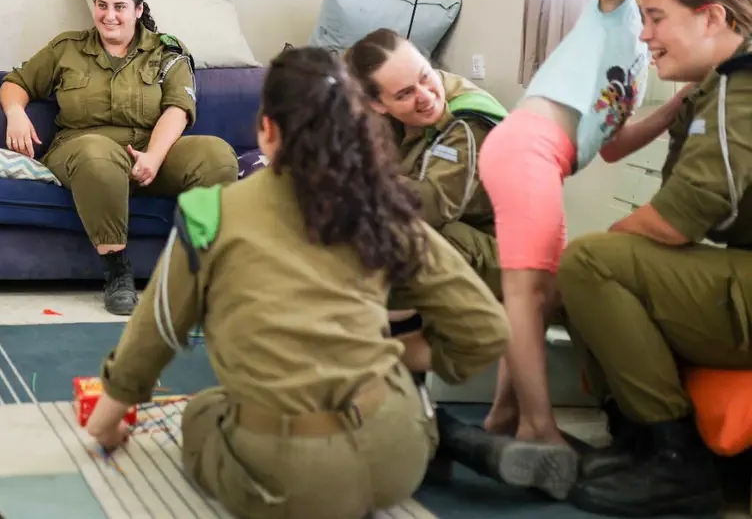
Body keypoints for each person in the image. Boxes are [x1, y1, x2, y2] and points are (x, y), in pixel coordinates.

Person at [83, 47, 511, 519]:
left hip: (288, 477)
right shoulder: (384, 206)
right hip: (396, 455)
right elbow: (486, 329)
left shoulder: (211, 213)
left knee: (204, 411)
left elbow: (155, 334)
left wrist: (105, 425)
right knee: (393, 398)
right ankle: (438, 433)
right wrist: (407, 353)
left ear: (267, 130)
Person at [465, 0, 721, 500]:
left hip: (546, 158)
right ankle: (537, 425)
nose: (653, 30)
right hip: (528, 146)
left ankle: (505, 414)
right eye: (652, 14)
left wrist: (679, 103)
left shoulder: (637, 66)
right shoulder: (616, 14)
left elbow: (610, 146)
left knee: (539, 294)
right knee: (526, 293)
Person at [558, 0, 752, 517]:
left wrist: (604, 253)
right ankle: (639, 442)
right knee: (592, 264)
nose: (645, 35)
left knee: (591, 262)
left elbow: (678, 217)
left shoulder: (742, 84)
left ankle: (677, 461)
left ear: (711, 18)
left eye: (656, 17)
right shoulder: (712, 89)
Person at [0, 0, 239, 315]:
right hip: (83, 152)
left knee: (217, 155)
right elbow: (15, 82)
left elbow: (178, 109)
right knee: (97, 153)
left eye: (120, 7)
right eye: (102, 5)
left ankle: (201, 270)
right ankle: (117, 272)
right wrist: (16, 113)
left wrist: (153, 157)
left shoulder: (166, 51)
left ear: (138, 10)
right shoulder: (67, 48)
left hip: (150, 151)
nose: (109, 15)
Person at [347, 28, 508, 298]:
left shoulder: (467, 123)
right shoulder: (384, 116)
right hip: (465, 233)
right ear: (377, 105)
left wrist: (358, 180)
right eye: (404, 94)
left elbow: (432, 206)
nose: (426, 96)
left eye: (425, 76)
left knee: (405, 235)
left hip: (508, 255)